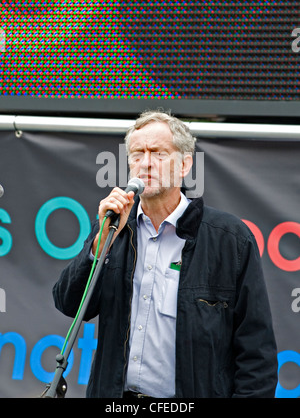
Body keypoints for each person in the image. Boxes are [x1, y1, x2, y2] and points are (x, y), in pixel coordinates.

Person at [53, 110, 278, 398]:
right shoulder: (113, 227)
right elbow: (68, 302)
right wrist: (101, 243)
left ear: (185, 165)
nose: (145, 163)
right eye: (137, 154)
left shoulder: (229, 238)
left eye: (158, 153)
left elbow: (256, 351)